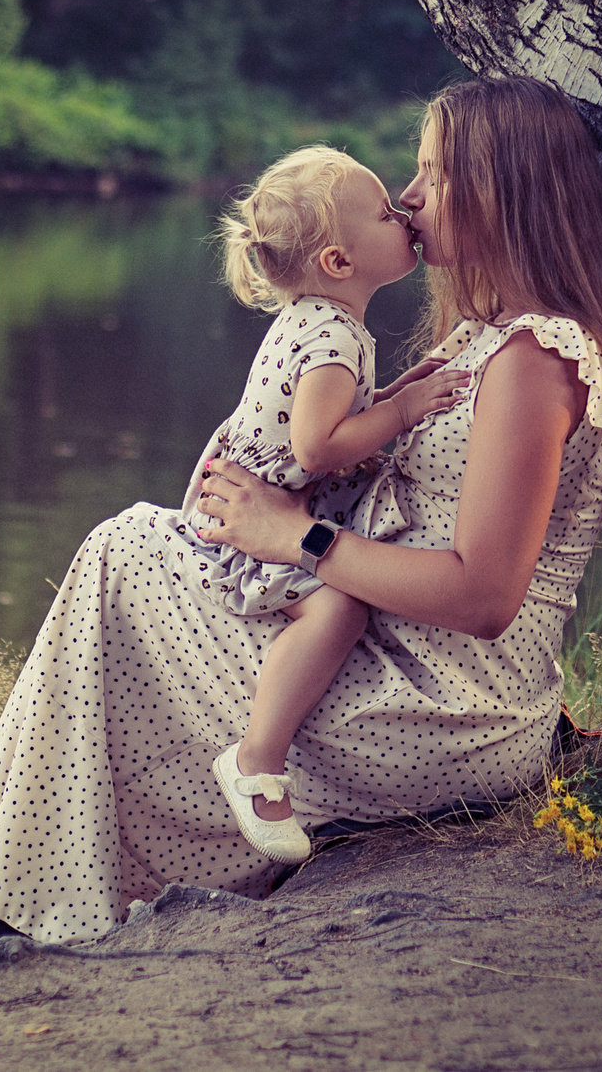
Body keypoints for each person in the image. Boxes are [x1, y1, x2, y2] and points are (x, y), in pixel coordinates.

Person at [0, 76, 602, 955]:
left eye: (434, 175)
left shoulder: (534, 360)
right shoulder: (482, 335)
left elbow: (484, 596)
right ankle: (2, 869)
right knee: (129, 551)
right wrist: (258, 486)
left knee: (123, 556)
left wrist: (299, 538)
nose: (409, 196)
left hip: (446, 708)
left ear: (502, 191)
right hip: (388, 651)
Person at [168, 146, 471, 863]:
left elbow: (337, 416)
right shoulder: (335, 334)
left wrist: (397, 391)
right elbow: (317, 446)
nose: (402, 210)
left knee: (340, 598)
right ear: (340, 261)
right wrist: (402, 413)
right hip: (256, 518)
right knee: (338, 606)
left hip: (255, 498)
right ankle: (256, 762)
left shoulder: (320, 319)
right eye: (382, 212)